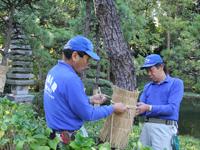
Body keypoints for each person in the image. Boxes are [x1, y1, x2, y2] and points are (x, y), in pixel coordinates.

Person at [43, 35, 127, 147]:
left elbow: (64, 101)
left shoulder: (54, 71)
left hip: (56, 136)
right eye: (87, 59)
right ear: (75, 56)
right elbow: (88, 114)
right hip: (69, 141)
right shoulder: (71, 79)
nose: (87, 64)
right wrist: (113, 108)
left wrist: (90, 99)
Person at [135, 54, 184, 150]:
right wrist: (133, 110)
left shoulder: (176, 83)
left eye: (151, 70)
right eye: (147, 71)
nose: (149, 74)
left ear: (161, 67)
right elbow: (142, 109)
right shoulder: (147, 87)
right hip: (146, 128)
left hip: (164, 128)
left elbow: (172, 108)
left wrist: (149, 108)